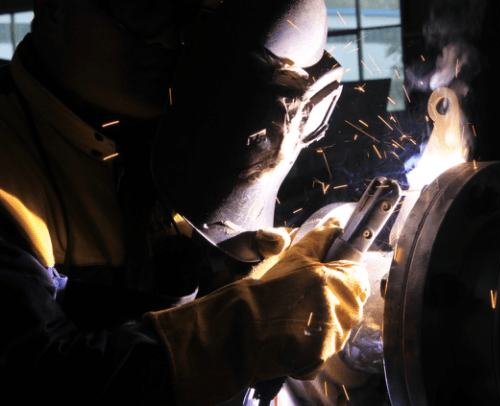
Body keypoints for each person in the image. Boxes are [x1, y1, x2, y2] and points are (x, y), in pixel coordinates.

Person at [0, 0, 370, 405]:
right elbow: (39, 377)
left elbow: (169, 327)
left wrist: (256, 288)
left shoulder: (178, 132)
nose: (171, 38)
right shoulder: (11, 162)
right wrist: (244, 332)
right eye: (144, 8)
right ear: (55, 7)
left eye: (186, 16)